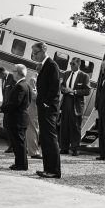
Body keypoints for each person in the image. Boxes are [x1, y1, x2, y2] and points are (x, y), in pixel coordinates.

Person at [31, 41, 61, 179]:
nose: (34, 56)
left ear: (43, 50)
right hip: (44, 107)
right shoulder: (44, 65)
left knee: (50, 138)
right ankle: (47, 169)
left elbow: (54, 88)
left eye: (36, 53)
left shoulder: (51, 65)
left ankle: (54, 170)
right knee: (45, 138)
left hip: (48, 108)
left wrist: (46, 104)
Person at [0, 64, 32, 171]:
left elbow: (15, 103)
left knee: (19, 143)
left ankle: (22, 165)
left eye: (13, 71)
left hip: (17, 119)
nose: (12, 73)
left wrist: (3, 108)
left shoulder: (20, 86)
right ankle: (19, 163)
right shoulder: (25, 84)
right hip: (20, 118)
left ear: (18, 73)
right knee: (18, 143)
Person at [59, 57, 91, 156]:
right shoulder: (66, 74)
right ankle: (64, 147)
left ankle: (75, 148)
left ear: (78, 64)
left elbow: (87, 91)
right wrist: (63, 89)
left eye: (73, 64)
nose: (71, 65)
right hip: (66, 102)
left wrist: (74, 91)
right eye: (70, 63)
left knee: (75, 127)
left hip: (76, 103)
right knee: (64, 126)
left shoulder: (84, 76)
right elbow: (62, 85)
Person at [0, 66, 16, 153]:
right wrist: (3, 106)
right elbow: (4, 95)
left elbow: (15, 94)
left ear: (3, 72)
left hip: (11, 108)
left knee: (12, 127)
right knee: (7, 126)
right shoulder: (4, 80)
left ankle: (14, 146)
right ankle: (11, 145)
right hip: (6, 108)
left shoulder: (12, 78)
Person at [26, 75, 42, 159]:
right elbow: (34, 96)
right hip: (33, 109)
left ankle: (30, 149)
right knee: (33, 130)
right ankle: (33, 152)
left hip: (37, 109)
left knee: (34, 130)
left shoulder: (40, 79)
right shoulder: (33, 80)